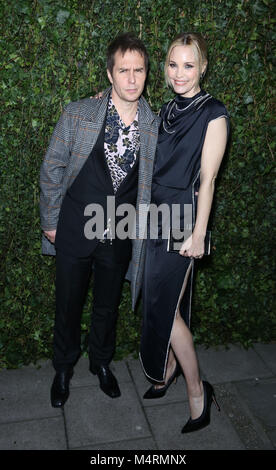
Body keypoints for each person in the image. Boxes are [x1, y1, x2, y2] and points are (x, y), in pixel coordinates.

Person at [40, 32, 159, 407]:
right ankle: (63, 370)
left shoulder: (155, 126)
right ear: (109, 74)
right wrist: (51, 221)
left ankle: (101, 364)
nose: (131, 78)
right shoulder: (78, 113)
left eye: (138, 70)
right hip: (73, 229)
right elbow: (51, 168)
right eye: (123, 70)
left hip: (120, 234)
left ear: (146, 74)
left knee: (108, 306)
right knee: (68, 305)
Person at [137, 32, 229, 433]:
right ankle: (169, 369)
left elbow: (208, 180)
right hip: (154, 214)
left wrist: (198, 233)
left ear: (203, 67)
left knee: (165, 308)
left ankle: (196, 390)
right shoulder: (166, 109)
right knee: (160, 303)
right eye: (173, 64)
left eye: (188, 65)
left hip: (183, 219)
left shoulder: (215, 113)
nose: (179, 73)